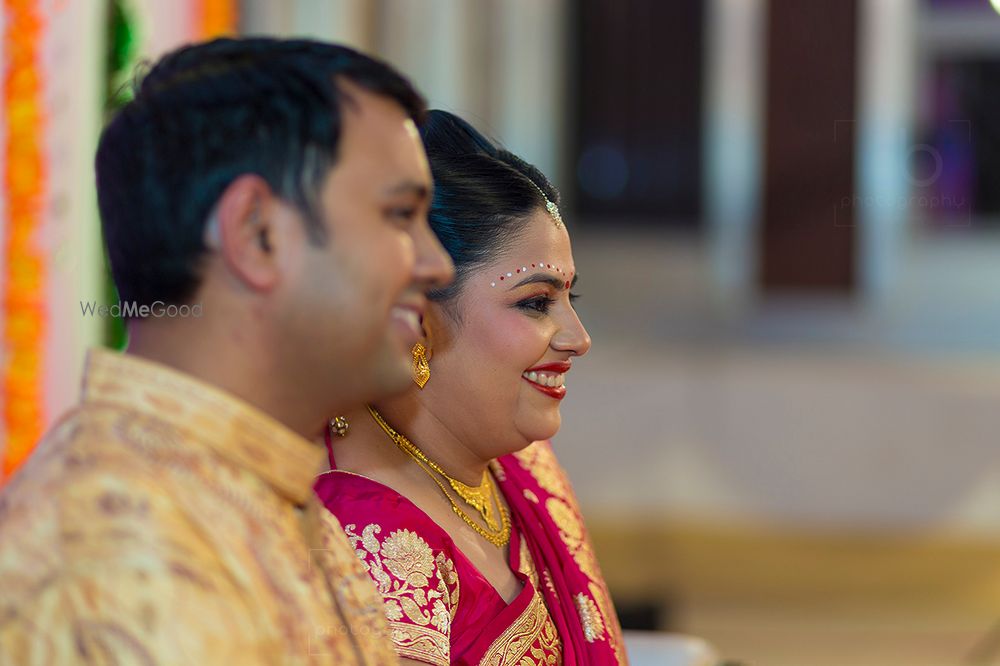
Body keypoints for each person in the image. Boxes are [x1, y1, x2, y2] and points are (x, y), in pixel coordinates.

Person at [0, 38, 453, 664]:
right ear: (256, 234)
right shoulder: (120, 563)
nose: (437, 263)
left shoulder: (260, 494)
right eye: (400, 214)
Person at [317, 111, 627, 665]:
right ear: (414, 314)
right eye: (535, 302)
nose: (578, 339)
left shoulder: (521, 466)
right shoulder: (369, 536)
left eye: (568, 300)